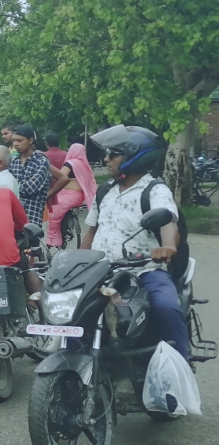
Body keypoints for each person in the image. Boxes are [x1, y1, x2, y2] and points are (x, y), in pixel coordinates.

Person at [80, 125, 187, 357]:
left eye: (113, 154)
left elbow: (168, 221)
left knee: (166, 306)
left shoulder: (154, 190)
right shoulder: (105, 190)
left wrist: (168, 246)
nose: (106, 159)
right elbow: (91, 230)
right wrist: (79, 261)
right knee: (72, 309)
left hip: (144, 270)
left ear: (134, 156)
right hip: (102, 272)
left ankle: (181, 360)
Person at [45, 142, 96, 248]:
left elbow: (60, 176)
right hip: (78, 197)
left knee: (54, 211)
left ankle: (53, 239)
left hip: (69, 196)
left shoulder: (70, 164)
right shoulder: (85, 165)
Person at [8, 125, 51, 225]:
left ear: (30, 140)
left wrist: (10, 190)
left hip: (32, 216)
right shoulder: (13, 162)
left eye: (19, 140)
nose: (15, 144)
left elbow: (30, 188)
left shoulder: (41, 161)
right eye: (13, 141)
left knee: (30, 240)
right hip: (12, 217)